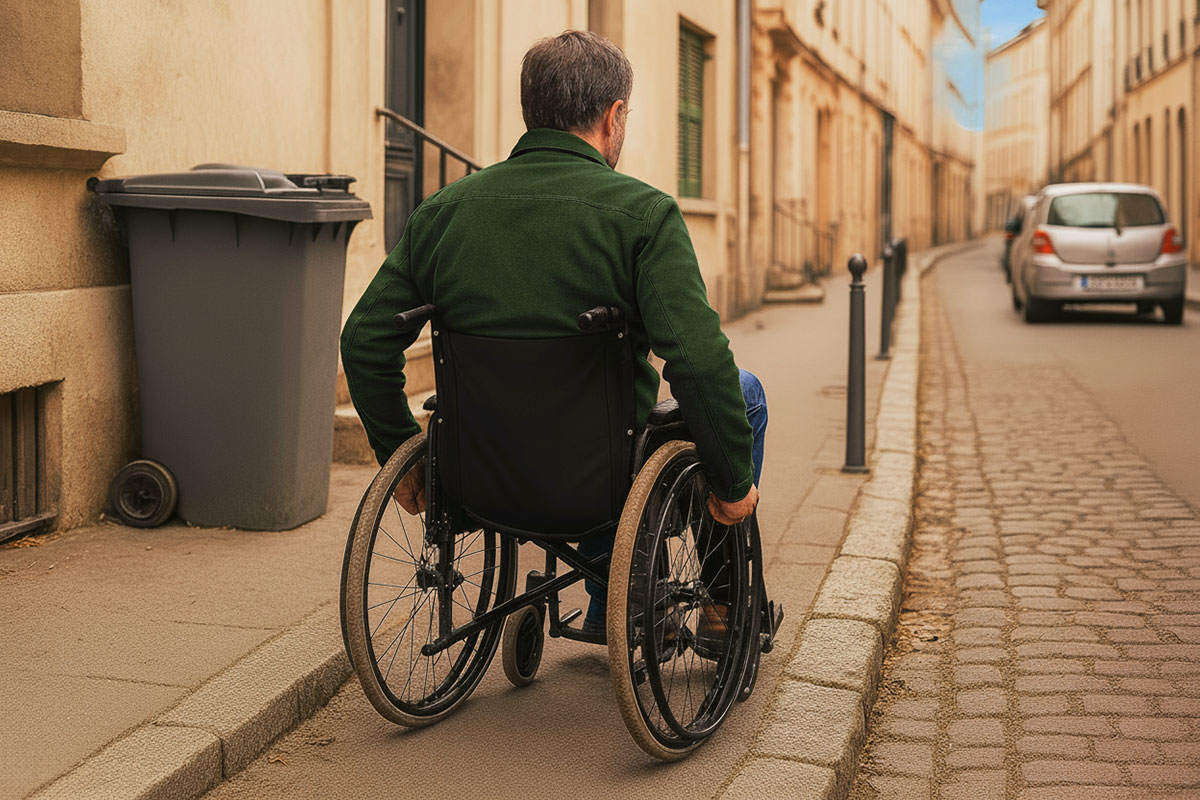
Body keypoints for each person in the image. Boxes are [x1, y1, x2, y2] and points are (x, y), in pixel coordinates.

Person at [340, 30, 766, 640]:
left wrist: (399, 451)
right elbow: (697, 362)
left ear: (530, 109)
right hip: (600, 471)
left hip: (478, 474)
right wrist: (731, 482)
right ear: (612, 116)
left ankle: (607, 598)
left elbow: (362, 340)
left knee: (596, 415)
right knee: (739, 395)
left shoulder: (444, 211)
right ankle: (722, 609)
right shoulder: (643, 215)